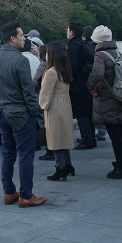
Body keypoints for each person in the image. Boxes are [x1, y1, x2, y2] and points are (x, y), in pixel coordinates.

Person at [0, 24, 46, 207]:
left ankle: (9, 192)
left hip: (1, 111)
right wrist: (37, 113)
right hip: (20, 113)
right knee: (26, 155)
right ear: (12, 38)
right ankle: (26, 195)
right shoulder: (20, 60)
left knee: (8, 154)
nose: (24, 38)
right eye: (21, 35)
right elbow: (28, 92)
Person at [86, 25, 122, 179]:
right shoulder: (117, 53)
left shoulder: (100, 55)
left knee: (115, 134)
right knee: (120, 132)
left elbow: (97, 74)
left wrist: (90, 86)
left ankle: (121, 167)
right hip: (120, 96)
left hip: (108, 99)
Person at [40, 42, 75, 181]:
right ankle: (68, 164)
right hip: (65, 104)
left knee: (55, 138)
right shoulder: (64, 69)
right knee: (63, 137)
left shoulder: (51, 72)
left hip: (54, 106)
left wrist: (42, 106)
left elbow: (45, 93)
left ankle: (60, 167)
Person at [67, 22, 95, 149]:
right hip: (87, 81)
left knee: (81, 112)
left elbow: (73, 67)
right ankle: (91, 138)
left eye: (68, 30)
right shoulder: (83, 44)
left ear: (72, 32)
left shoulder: (73, 47)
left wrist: (69, 78)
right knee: (88, 112)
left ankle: (86, 139)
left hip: (78, 83)